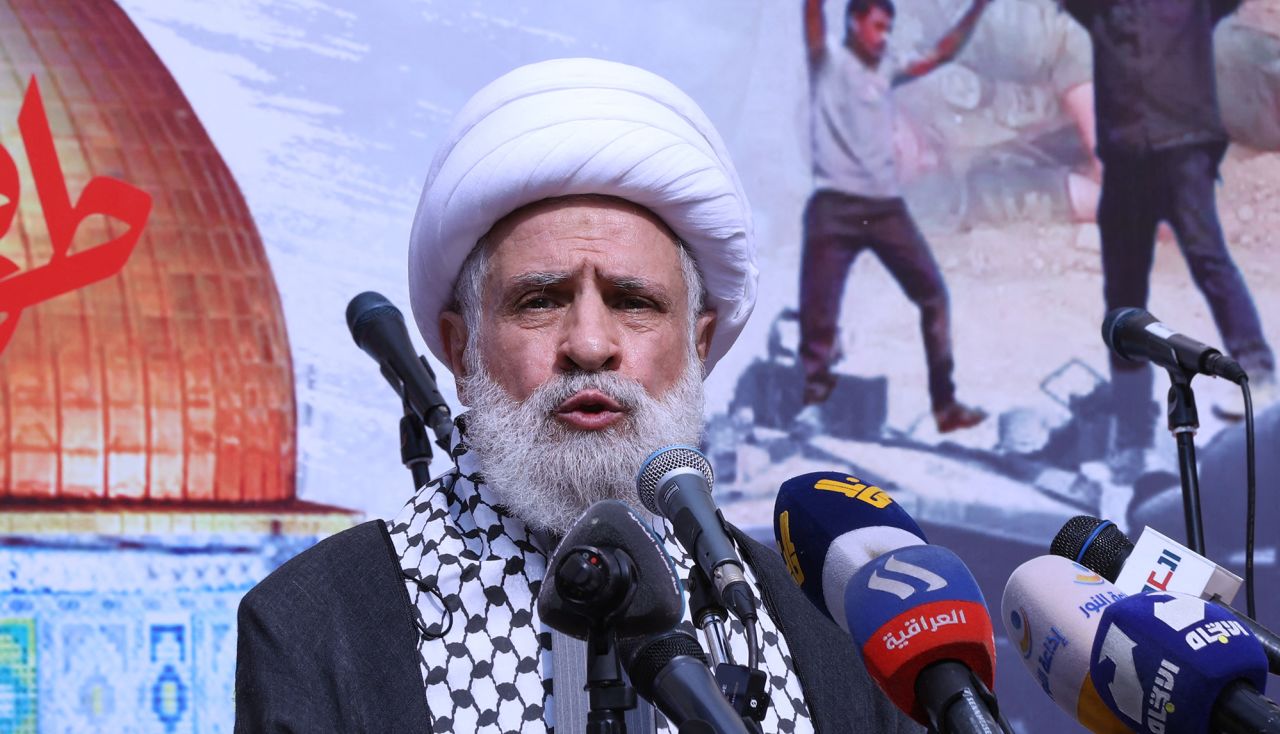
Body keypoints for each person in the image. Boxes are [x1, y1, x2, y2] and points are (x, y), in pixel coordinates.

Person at [233, 58, 923, 733]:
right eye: (540, 300)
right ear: (459, 350)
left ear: (699, 344)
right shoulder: (317, 623)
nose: (590, 344)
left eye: (633, 302)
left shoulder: (822, 626)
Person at [1061, 0, 1277, 465]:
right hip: (1125, 156)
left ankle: (1258, 377)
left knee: (1208, 257)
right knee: (1123, 296)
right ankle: (1132, 431)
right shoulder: (1100, 8)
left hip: (1184, 148)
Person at [797, 0, 991, 435]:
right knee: (819, 314)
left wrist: (978, 8)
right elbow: (812, 15)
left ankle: (945, 405)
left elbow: (942, 53)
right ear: (854, 21)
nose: (883, 37)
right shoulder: (828, 59)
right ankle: (813, 404)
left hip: (883, 208)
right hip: (835, 206)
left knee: (933, 296)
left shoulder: (886, 68)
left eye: (889, 29)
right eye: (878, 26)